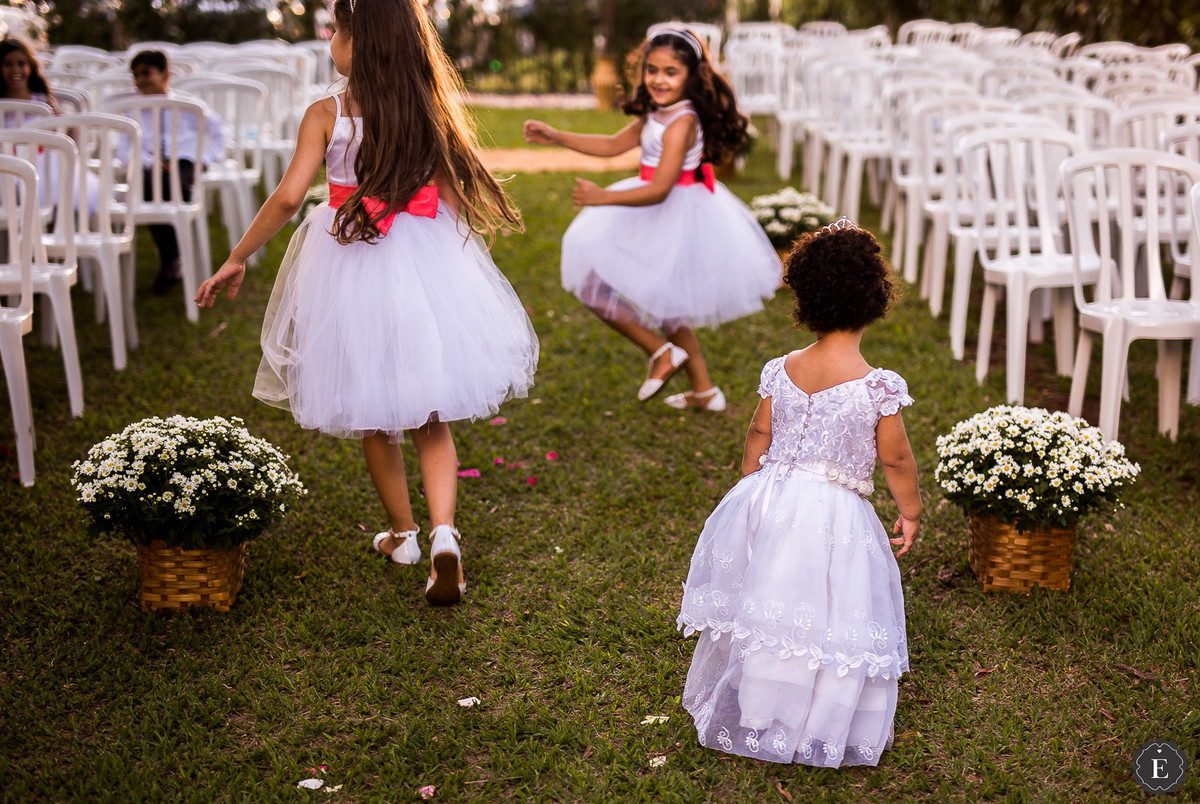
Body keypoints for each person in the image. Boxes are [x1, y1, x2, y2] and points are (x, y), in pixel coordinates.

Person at [194, 0, 538, 606]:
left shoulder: (326, 113)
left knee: (374, 410)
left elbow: (288, 198)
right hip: (423, 257)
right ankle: (444, 533)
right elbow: (451, 196)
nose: (330, 38)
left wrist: (237, 256)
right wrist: (468, 264)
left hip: (350, 258)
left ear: (357, 41)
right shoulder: (427, 107)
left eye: (336, 29)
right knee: (431, 414)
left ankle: (403, 535)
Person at [676, 219, 921, 767]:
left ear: (805, 299)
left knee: (772, 599)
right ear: (875, 300)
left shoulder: (781, 369)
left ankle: (761, 703)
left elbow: (758, 433)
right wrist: (911, 509)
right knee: (826, 605)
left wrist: (751, 486)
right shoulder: (878, 385)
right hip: (832, 513)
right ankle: (816, 713)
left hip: (770, 496)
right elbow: (896, 458)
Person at [522, 30, 780, 412]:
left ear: (691, 76)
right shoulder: (657, 113)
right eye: (652, 70)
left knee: (597, 287)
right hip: (655, 207)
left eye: (671, 72)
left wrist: (602, 197)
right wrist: (556, 136)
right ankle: (704, 391)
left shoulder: (682, 122)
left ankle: (661, 352)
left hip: (673, 210)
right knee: (664, 304)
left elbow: (660, 189)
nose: (659, 79)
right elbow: (612, 145)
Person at [122, 49, 227, 295]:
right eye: (136, 75)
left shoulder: (188, 106)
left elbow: (220, 134)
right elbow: (123, 149)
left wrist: (204, 161)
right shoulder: (133, 110)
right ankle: (173, 257)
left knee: (172, 185)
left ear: (165, 74)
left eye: (146, 73)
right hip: (152, 166)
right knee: (149, 188)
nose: (140, 80)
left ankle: (172, 258)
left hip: (184, 163)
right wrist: (150, 161)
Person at [0, 37, 59, 113]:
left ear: (31, 66)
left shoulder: (44, 102)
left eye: (21, 64)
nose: (15, 70)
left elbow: (60, 119)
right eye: (8, 64)